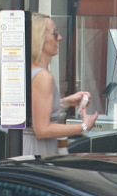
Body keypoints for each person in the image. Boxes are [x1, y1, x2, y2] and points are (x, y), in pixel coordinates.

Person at [23, 13, 97, 156]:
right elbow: (42, 129)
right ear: (40, 39)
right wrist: (83, 126)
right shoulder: (43, 77)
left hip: (30, 146)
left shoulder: (29, 71)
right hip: (38, 150)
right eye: (55, 34)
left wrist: (64, 102)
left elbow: (35, 113)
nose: (60, 38)